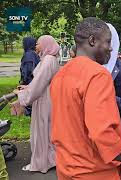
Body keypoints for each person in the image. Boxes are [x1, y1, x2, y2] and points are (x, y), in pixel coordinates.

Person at [50, 17, 121, 180]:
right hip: (94, 171)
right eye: (108, 42)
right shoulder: (98, 74)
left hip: (65, 168)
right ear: (92, 41)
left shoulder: (60, 75)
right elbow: (101, 133)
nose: (111, 48)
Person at [13, 35, 60, 173]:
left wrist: (23, 95)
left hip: (44, 100)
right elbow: (40, 82)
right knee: (47, 131)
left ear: (46, 44)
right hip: (46, 98)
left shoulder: (48, 61)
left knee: (41, 131)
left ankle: (41, 163)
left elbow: (39, 84)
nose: (36, 46)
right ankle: (51, 159)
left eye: (38, 44)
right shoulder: (48, 59)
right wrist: (27, 88)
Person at [19, 37, 40, 116]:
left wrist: (23, 81)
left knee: (30, 103)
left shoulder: (28, 55)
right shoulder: (33, 54)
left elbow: (27, 71)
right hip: (34, 82)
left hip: (30, 82)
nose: (22, 45)